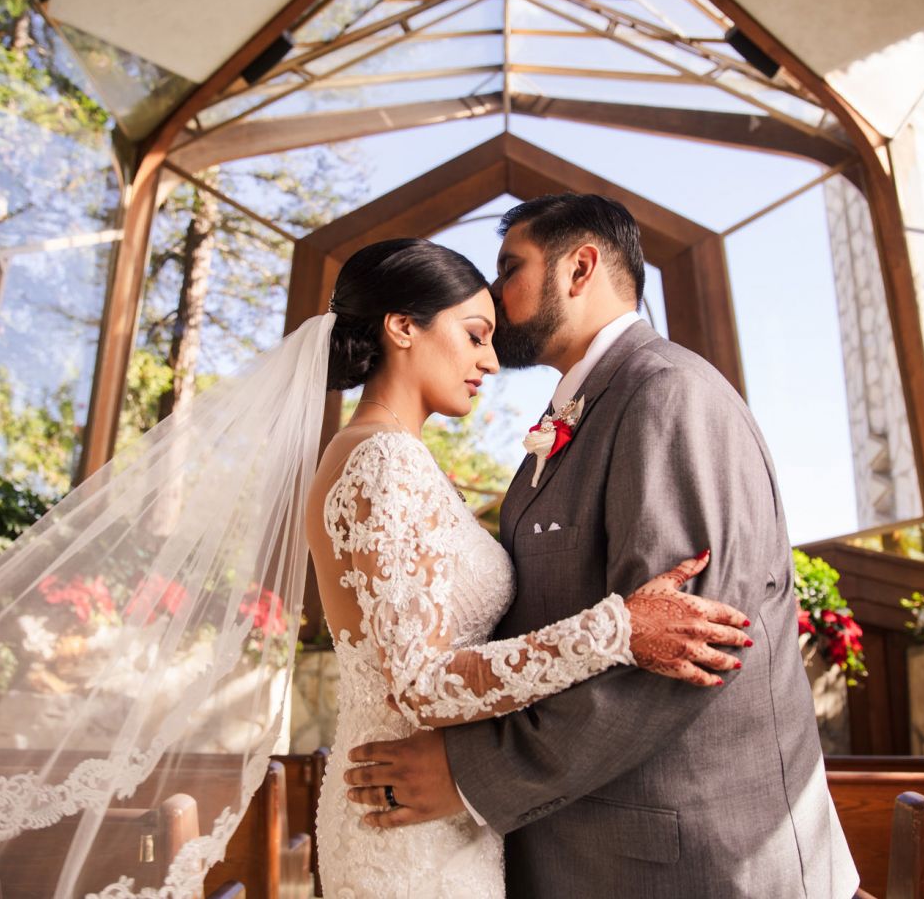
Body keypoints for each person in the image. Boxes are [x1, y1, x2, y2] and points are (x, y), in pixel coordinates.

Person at [344, 197, 860, 898]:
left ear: (580, 266)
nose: (494, 295)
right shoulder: (570, 417)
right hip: (584, 851)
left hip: (686, 861)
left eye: (510, 268)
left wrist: (476, 771)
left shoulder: (667, 395)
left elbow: (689, 649)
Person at [302, 237, 752, 898]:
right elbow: (421, 685)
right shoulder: (382, 462)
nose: (490, 359)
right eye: (475, 335)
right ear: (402, 327)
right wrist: (616, 630)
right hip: (405, 819)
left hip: (427, 811)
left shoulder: (390, 456)